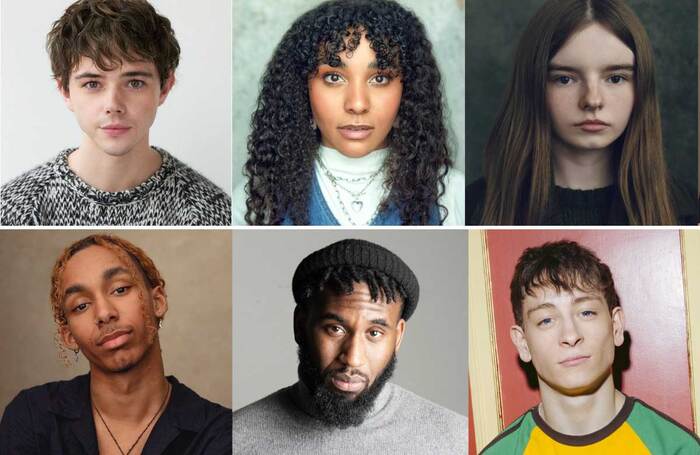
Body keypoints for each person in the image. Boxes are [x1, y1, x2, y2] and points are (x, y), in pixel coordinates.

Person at [234, 0, 465, 226]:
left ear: (409, 91)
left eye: (379, 79)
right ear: (301, 89)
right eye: (334, 78)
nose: (357, 104)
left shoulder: (452, 195)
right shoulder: (254, 198)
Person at [0, 0, 231, 226]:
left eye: (135, 83)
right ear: (65, 90)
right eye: (92, 84)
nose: (113, 104)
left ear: (165, 87)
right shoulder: (13, 211)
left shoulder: (211, 213)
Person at [467, 0, 697, 225]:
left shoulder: (687, 212)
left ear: (641, 85)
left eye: (615, 78)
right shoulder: (474, 207)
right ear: (534, 85)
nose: (592, 100)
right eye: (565, 79)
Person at [0, 234, 231, 454]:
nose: (104, 313)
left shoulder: (223, 434)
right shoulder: (32, 416)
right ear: (68, 336)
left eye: (120, 290)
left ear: (157, 302)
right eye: (81, 305)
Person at [233, 239, 467, 452]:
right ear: (300, 324)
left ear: (397, 337)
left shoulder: (457, 441)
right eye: (335, 329)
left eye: (374, 333)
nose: (353, 358)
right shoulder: (235, 438)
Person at [481, 240, 700, 453]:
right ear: (523, 343)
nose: (570, 335)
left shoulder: (676, 448)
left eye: (586, 313)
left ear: (615, 326)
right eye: (546, 320)